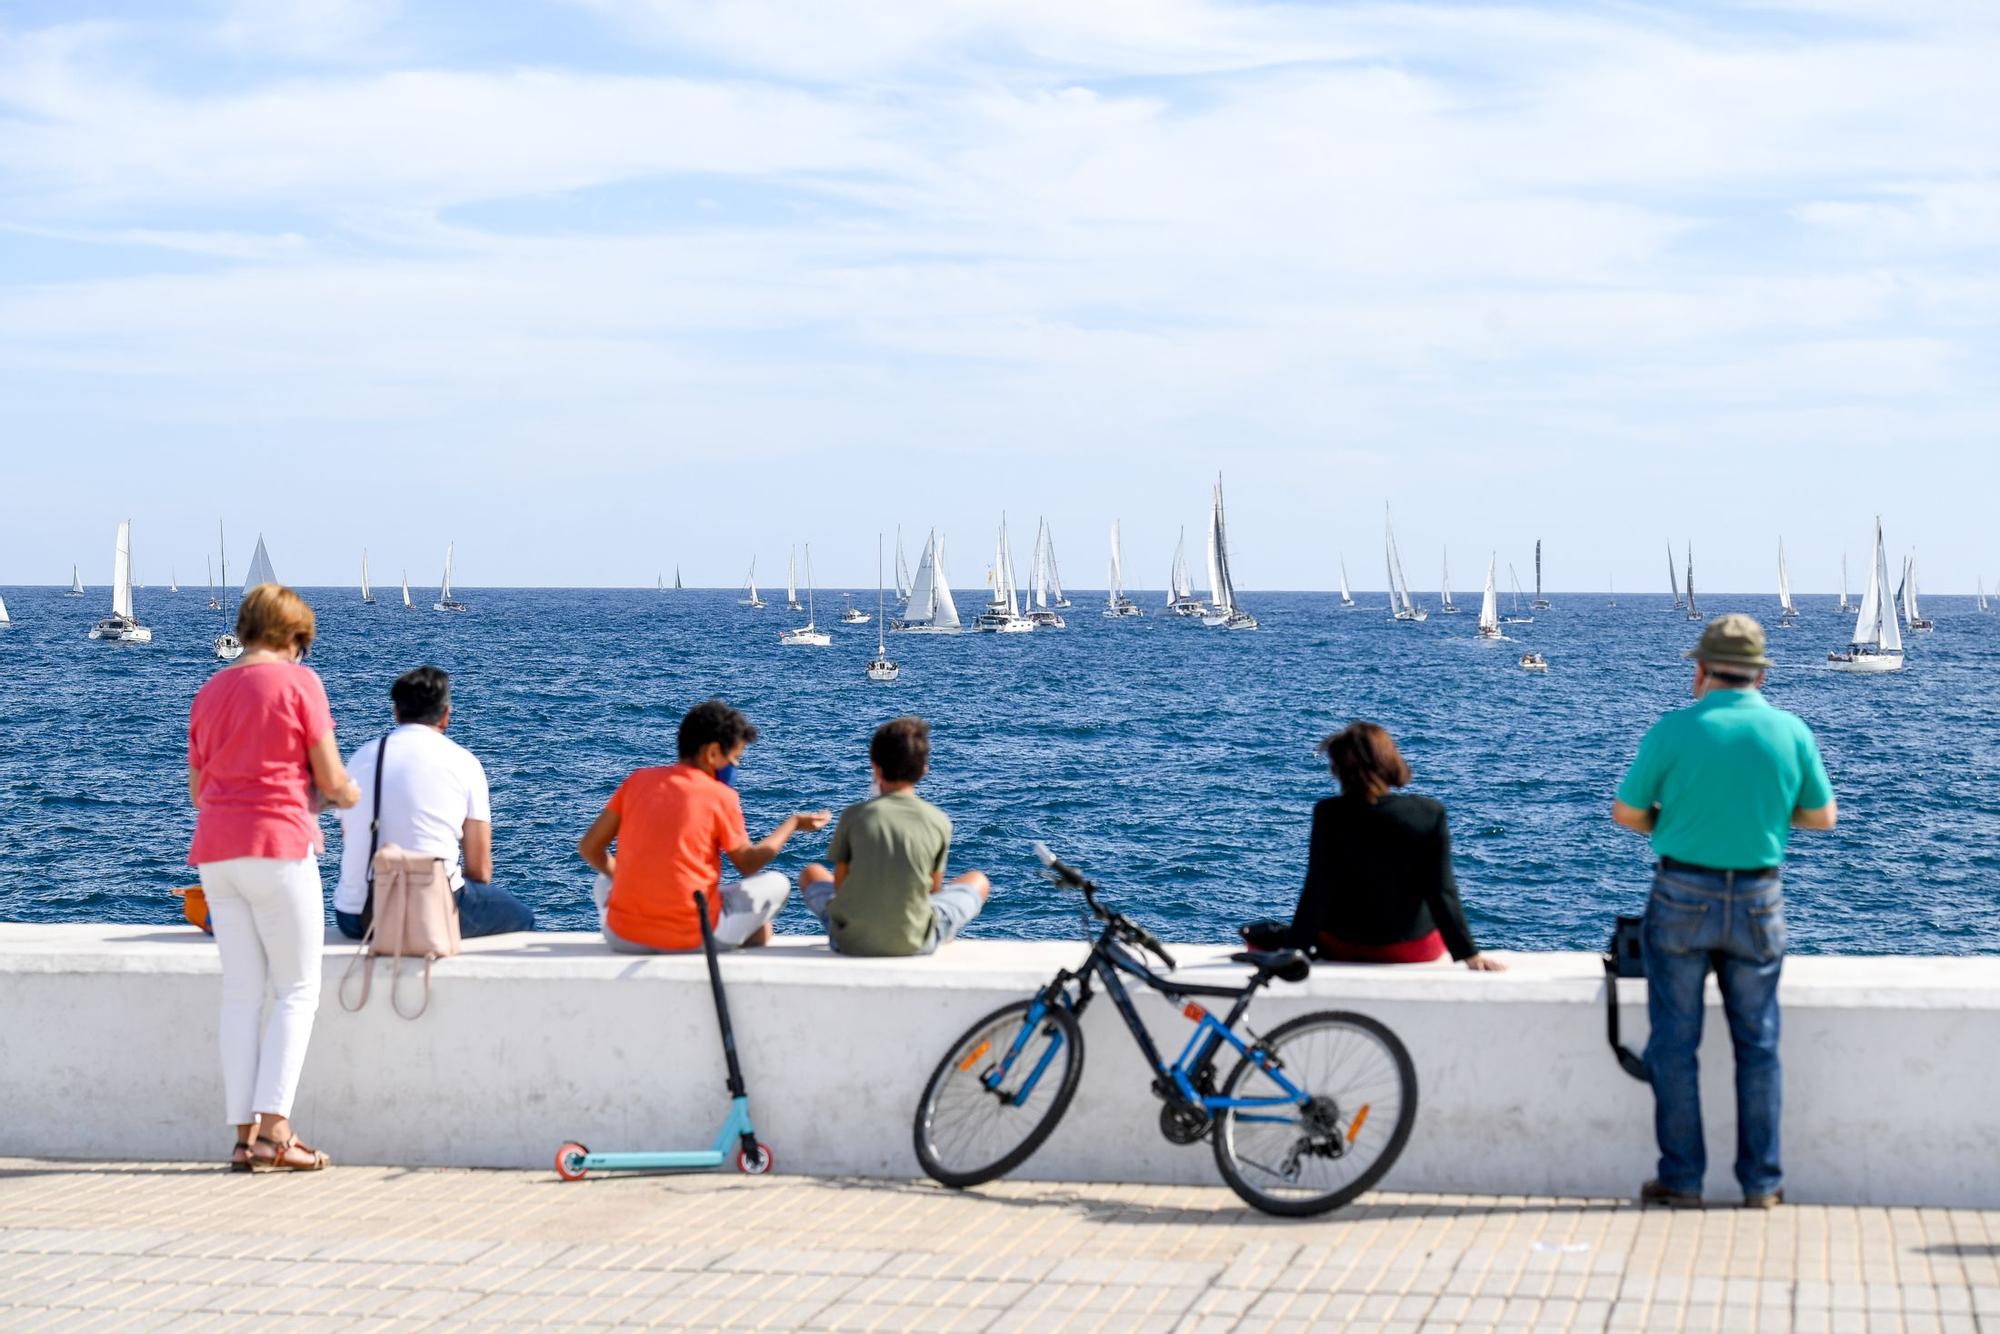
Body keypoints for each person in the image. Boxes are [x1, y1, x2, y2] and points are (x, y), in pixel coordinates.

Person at [1613, 614, 1836, 1210]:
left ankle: (1682, 1180)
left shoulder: (1674, 729)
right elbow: (1821, 817)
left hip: (1681, 892)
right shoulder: (1790, 731)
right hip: (1760, 898)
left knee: (1674, 1044)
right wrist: (1760, 816)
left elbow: (1627, 813)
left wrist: (1677, 821)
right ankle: (1761, 1184)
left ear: (1703, 670)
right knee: (1758, 1045)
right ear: (1761, 673)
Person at [186, 583, 359, 1173]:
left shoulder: (210, 690)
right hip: (279, 848)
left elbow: (197, 790)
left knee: (240, 994)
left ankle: (242, 1139)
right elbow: (332, 779)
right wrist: (350, 794)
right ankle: (276, 1133)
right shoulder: (299, 684)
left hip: (215, 853)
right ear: (295, 637)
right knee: (296, 990)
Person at [577, 699, 829, 953]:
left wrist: (623, 878)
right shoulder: (719, 795)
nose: (736, 766)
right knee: (777, 883)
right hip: (692, 937)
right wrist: (793, 823)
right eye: (735, 757)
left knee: (603, 880)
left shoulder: (636, 781)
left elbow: (590, 847)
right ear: (712, 753)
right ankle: (742, 932)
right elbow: (748, 863)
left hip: (622, 936)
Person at [1270, 721, 1504, 971]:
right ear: (1390, 761)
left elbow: (1317, 890)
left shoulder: (1329, 814)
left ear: (1339, 769)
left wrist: (1293, 950)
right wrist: (1469, 954)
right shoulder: (1428, 813)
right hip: (1415, 948)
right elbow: (1441, 890)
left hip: (1345, 946)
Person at [331, 666, 534, 942]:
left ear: (397, 712)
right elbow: (480, 870)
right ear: (446, 714)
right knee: (522, 917)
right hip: (430, 912)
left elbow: (350, 838)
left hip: (358, 915)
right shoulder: (464, 763)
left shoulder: (361, 759)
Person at [798, 716, 991, 956]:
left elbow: (840, 885)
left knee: (811, 873)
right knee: (978, 880)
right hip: (915, 940)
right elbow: (932, 890)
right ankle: (940, 932)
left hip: (850, 941)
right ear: (923, 770)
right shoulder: (938, 820)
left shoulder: (854, 816)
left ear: (875, 767)